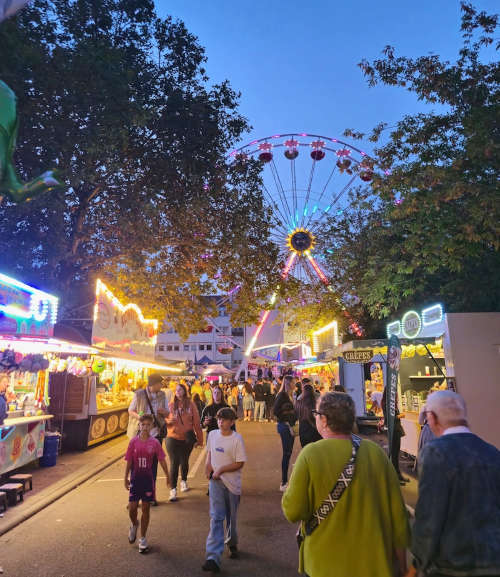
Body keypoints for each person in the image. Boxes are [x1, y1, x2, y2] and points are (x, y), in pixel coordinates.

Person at [282, 392, 410, 577]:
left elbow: (293, 511)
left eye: (316, 414)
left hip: (325, 563)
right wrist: (403, 566)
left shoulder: (310, 455)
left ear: (324, 420)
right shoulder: (375, 453)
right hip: (374, 563)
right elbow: (397, 515)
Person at [406, 390, 500, 577]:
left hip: (453, 563)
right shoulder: (491, 452)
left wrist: (419, 562)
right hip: (493, 558)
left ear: (432, 417)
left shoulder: (436, 452)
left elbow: (429, 515)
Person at [202, 407, 247, 574]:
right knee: (216, 518)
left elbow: (240, 462)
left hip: (232, 485)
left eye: (224, 419)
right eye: (219, 418)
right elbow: (209, 454)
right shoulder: (213, 435)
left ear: (232, 422)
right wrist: (208, 467)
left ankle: (232, 542)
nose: (220, 421)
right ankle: (212, 557)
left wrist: (221, 470)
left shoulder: (237, 439)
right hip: (215, 483)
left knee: (231, 519)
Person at [124, 414, 170, 553]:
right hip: (136, 480)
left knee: (145, 508)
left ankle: (143, 538)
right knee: (132, 508)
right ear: (139, 426)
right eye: (142, 424)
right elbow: (129, 461)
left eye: (148, 425)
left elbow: (162, 460)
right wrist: (125, 477)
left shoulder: (155, 443)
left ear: (152, 427)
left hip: (148, 481)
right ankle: (134, 524)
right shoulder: (133, 442)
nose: (145, 427)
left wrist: (168, 475)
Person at [127, 373, 169, 501]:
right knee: (136, 466)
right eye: (159, 383)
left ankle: (151, 495)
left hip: (156, 434)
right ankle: (135, 495)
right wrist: (140, 417)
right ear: (153, 384)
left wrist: (164, 412)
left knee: (153, 466)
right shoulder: (139, 394)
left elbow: (167, 412)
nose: (161, 386)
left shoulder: (162, 395)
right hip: (140, 434)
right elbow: (131, 410)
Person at [165, 383, 203, 502]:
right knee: (174, 462)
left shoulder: (191, 405)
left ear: (184, 391)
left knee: (184, 461)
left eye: (180, 390)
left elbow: (196, 422)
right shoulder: (170, 405)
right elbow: (164, 420)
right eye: (176, 390)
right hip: (172, 437)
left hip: (187, 438)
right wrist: (168, 420)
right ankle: (173, 490)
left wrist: (200, 439)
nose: (178, 392)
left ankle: (184, 481)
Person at [273, 375, 297, 491]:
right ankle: (283, 482)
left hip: (289, 426)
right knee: (286, 453)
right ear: (288, 383)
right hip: (284, 426)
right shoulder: (282, 395)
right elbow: (276, 411)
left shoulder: (290, 395)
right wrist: (286, 419)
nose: (295, 384)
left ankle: (285, 481)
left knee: (288, 453)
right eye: (293, 382)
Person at [382, 386, 409, 484]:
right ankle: (395, 477)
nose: (396, 395)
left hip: (396, 430)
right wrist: (400, 416)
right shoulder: (386, 404)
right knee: (394, 454)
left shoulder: (391, 404)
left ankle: (398, 475)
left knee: (396, 454)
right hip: (392, 430)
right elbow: (389, 418)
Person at [295, 383, 322, 447]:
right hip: (315, 428)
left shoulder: (299, 403)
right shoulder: (316, 402)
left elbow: (295, 416)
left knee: (305, 449)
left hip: (303, 428)